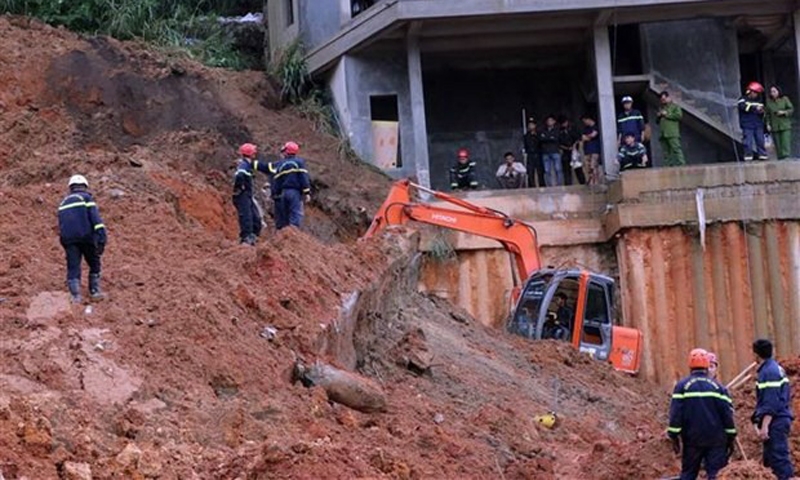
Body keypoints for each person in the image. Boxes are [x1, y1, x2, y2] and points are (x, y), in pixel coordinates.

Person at [668, 348, 737, 480]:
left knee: (688, 474)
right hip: (716, 440)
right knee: (716, 475)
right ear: (706, 365)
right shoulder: (719, 388)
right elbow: (727, 415)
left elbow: (676, 414)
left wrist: (674, 434)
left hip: (692, 440)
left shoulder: (682, 386)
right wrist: (731, 435)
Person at [58, 175, 107, 303]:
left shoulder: (62, 203)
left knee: (73, 266)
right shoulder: (86, 198)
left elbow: (62, 225)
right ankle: (94, 291)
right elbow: (96, 220)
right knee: (94, 263)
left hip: (69, 240)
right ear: (85, 186)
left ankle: (75, 296)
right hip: (86, 238)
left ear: (70, 187)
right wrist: (101, 238)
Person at [751, 339, 794, 480]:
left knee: (778, 459)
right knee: (769, 461)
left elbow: (771, 402)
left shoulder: (769, 372)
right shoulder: (774, 369)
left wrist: (765, 426)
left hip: (776, 420)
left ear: (757, 355)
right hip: (777, 419)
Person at [233, 143, 274, 245]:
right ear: (251, 153)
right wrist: (239, 187)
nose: (255, 153)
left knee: (255, 218)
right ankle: (246, 238)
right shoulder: (244, 165)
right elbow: (240, 175)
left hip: (247, 195)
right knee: (246, 216)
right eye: (254, 152)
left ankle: (253, 236)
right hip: (243, 195)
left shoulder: (247, 164)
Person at [273, 141, 312, 229]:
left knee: (285, 215)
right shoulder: (299, 162)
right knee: (295, 213)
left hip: (283, 193)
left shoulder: (281, 164)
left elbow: (277, 181)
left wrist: (275, 194)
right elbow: (303, 178)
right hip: (294, 192)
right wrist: (307, 192)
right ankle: (293, 234)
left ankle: (285, 235)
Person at [738, 82, 768, 162]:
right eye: (755, 92)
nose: (756, 95)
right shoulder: (742, 99)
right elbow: (743, 107)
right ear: (750, 91)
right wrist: (754, 108)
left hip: (758, 124)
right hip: (747, 124)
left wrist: (761, 111)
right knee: (748, 142)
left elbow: (762, 112)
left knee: (760, 140)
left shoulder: (759, 101)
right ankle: (748, 156)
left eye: (757, 93)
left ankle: (762, 155)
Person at [766, 85, 794, 160]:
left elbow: (791, 109)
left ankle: (786, 156)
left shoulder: (784, 99)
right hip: (774, 125)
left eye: (774, 91)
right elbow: (767, 114)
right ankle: (780, 157)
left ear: (778, 91)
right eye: (771, 92)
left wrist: (784, 112)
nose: (773, 93)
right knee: (777, 143)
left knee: (785, 142)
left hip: (784, 124)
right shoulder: (769, 102)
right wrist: (768, 124)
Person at [658, 91, 685, 166]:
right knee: (666, 152)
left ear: (668, 98)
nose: (663, 101)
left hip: (672, 132)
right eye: (662, 99)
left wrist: (667, 114)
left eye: (664, 99)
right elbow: (657, 121)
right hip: (663, 133)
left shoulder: (675, 106)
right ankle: (668, 166)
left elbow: (679, 116)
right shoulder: (661, 108)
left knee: (676, 149)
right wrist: (659, 115)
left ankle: (681, 164)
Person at [559, 116, 585, 185]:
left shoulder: (573, 129)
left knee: (578, 168)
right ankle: (568, 184)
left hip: (574, 152)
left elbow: (578, 139)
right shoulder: (560, 131)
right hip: (565, 152)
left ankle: (582, 183)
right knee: (566, 170)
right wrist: (566, 148)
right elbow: (558, 143)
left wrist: (574, 146)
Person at [539, 115, 563, 187]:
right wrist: (549, 138)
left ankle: (559, 184)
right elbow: (541, 139)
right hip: (545, 152)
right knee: (547, 171)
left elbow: (556, 138)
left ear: (554, 122)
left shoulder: (557, 130)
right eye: (548, 121)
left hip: (555, 151)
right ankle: (549, 185)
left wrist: (547, 138)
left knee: (558, 169)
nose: (549, 122)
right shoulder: (543, 130)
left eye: (551, 120)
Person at [581, 114, 603, 185]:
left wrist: (588, 137)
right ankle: (590, 182)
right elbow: (583, 138)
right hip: (587, 151)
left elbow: (594, 135)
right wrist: (588, 137)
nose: (585, 123)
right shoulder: (585, 129)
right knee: (588, 168)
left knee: (594, 167)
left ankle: (596, 182)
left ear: (589, 119)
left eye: (585, 121)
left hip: (594, 150)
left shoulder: (596, 127)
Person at [523, 118, 545, 188]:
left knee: (540, 171)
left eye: (532, 125)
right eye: (529, 125)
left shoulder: (539, 134)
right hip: (530, 154)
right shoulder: (526, 135)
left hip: (538, 154)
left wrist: (535, 135)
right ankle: (531, 186)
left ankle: (542, 185)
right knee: (530, 171)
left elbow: (541, 143)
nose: (531, 126)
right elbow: (526, 145)